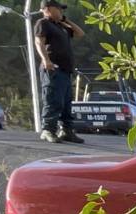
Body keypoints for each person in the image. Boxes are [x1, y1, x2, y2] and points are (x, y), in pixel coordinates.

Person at [34, 0, 85, 144]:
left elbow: (80, 33)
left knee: (66, 103)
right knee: (53, 100)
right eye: (59, 9)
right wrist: (46, 60)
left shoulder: (61, 26)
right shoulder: (43, 23)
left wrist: (65, 20)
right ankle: (48, 130)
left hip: (66, 70)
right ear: (48, 9)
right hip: (53, 68)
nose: (61, 11)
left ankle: (66, 131)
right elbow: (39, 42)